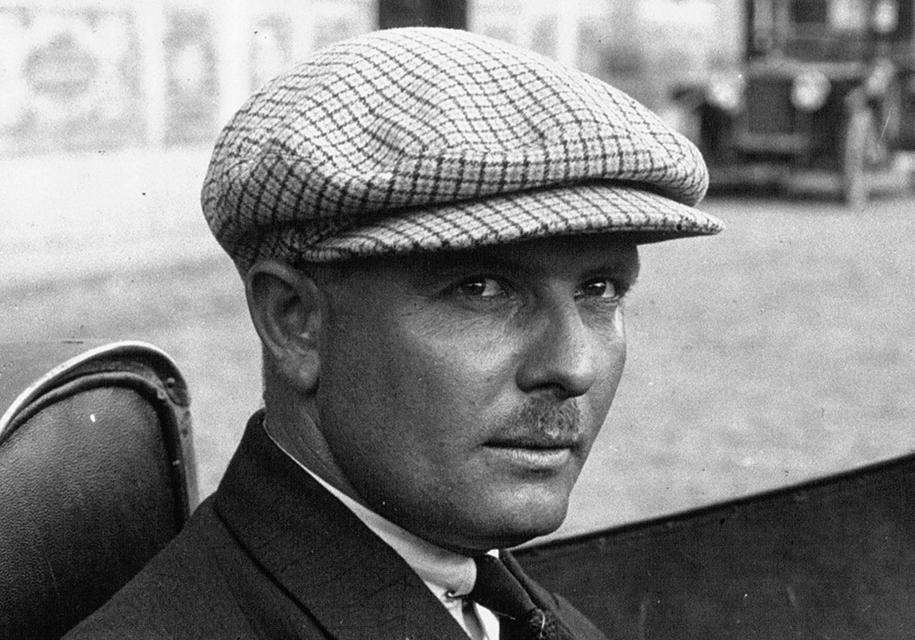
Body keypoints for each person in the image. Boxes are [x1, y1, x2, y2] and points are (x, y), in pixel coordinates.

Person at [65, 27, 722, 640]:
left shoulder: (505, 602)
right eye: (481, 288)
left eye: (600, 289)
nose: (574, 366)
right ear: (294, 321)